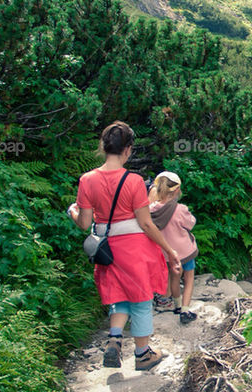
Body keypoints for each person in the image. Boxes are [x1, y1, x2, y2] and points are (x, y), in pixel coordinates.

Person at [67, 121, 181, 371]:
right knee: (140, 299)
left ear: (103, 146)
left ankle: (115, 338)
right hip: (134, 248)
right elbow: (146, 224)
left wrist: (71, 211)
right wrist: (170, 251)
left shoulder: (87, 180)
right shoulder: (134, 181)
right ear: (128, 150)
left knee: (118, 294)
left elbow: (84, 223)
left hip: (106, 249)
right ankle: (142, 354)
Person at [148, 171, 199, 325]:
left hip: (167, 253)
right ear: (177, 190)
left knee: (174, 277)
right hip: (185, 251)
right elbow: (191, 223)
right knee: (189, 278)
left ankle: (176, 305)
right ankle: (185, 310)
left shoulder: (151, 210)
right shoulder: (180, 209)